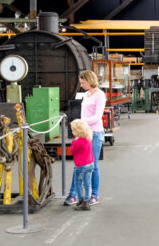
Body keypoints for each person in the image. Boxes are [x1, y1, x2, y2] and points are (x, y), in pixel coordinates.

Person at [64, 70, 106, 206]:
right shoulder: (87, 95)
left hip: (95, 134)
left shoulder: (100, 95)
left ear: (90, 81)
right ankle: (74, 194)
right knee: (78, 164)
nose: (81, 85)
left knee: (93, 166)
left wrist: (81, 123)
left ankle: (94, 195)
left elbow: (97, 117)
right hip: (83, 134)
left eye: (83, 83)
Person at [70, 119, 94, 211]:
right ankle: (87, 202)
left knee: (78, 183)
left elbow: (72, 151)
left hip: (80, 165)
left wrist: (74, 142)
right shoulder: (88, 138)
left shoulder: (78, 141)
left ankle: (80, 200)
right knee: (87, 184)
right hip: (90, 163)